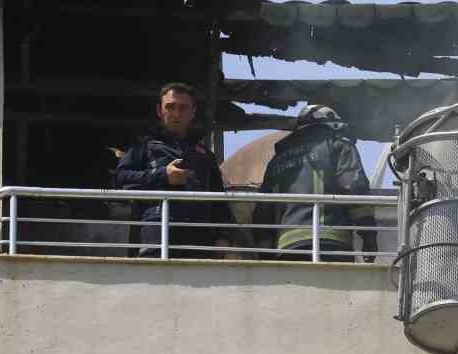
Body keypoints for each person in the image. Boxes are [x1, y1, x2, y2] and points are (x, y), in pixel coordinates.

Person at [114, 83, 234, 258]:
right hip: (158, 235)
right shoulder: (145, 144)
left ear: (193, 112)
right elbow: (120, 178)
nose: (176, 114)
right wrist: (163, 175)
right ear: (159, 110)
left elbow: (219, 201)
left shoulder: (205, 155)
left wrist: (223, 237)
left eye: (183, 108)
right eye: (170, 107)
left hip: (199, 240)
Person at [258, 104, 376, 261]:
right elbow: (354, 189)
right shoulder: (338, 145)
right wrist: (369, 236)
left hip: (287, 248)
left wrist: (265, 254)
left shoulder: (276, 162)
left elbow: (263, 210)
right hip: (330, 242)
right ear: (332, 125)